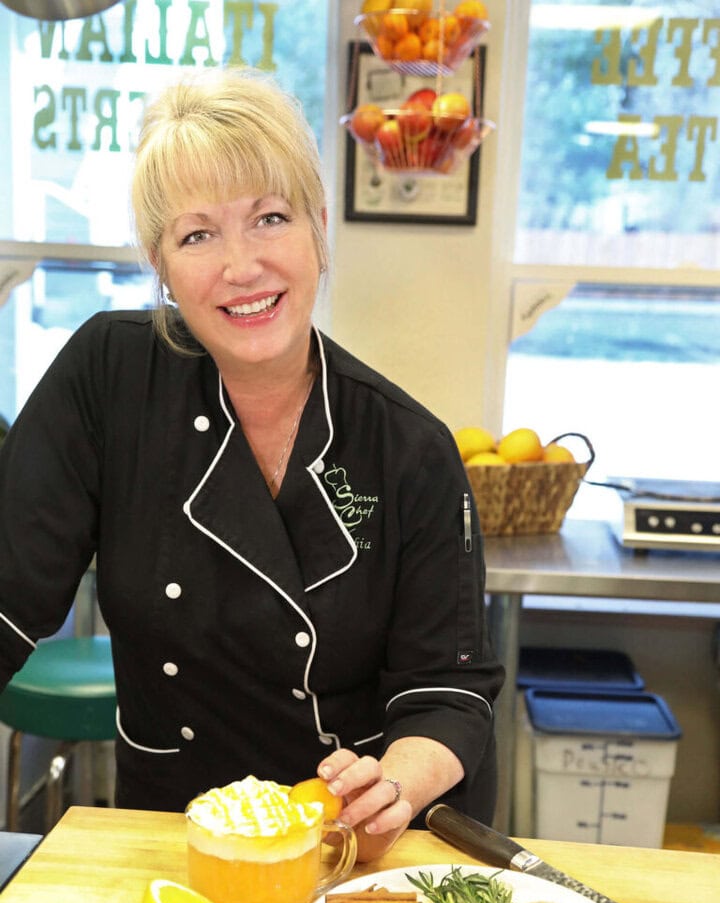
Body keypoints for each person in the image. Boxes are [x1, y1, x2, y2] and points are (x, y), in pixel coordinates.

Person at [0, 68, 503, 860]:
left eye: (269, 218)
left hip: (352, 846)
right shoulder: (111, 378)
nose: (240, 266)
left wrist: (390, 786)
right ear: (161, 264)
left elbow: (450, 695)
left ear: (319, 229)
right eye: (197, 234)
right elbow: (6, 599)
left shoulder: (406, 447)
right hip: (171, 839)